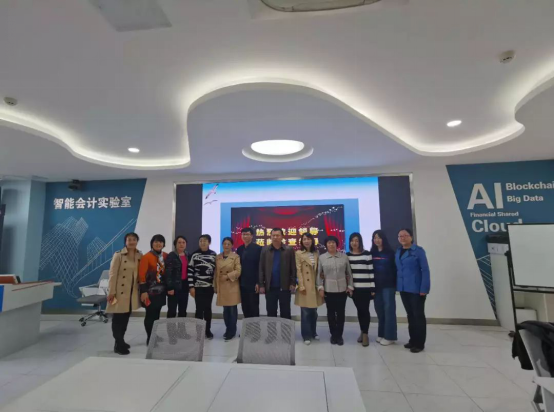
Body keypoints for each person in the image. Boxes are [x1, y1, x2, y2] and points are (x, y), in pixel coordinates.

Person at [107, 232, 142, 355]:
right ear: (125, 242)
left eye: (134, 239)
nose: (132, 242)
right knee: (118, 319)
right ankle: (118, 343)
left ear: (137, 241)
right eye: (129, 240)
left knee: (125, 318)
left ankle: (120, 340)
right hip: (119, 292)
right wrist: (111, 292)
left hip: (132, 293)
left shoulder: (139, 255)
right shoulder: (118, 255)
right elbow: (112, 274)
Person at [396, 228, 430, 353]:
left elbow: (425, 270)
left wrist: (424, 288)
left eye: (405, 235)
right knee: (410, 315)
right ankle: (412, 340)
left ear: (411, 237)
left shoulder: (418, 251)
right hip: (403, 288)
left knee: (418, 315)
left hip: (416, 288)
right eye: (400, 236)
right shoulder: (398, 251)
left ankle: (420, 344)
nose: (402, 238)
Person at [317, 236, 354, 346]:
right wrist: (320, 287)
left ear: (336, 244)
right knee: (331, 314)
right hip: (329, 289)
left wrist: (350, 286)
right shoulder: (322, 258)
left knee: (341, 313)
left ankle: (339, 335)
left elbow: (349, 273)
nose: (331, 244)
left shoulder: (344, 257)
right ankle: (333, 335)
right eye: (329, 242)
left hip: (342, 289)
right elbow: (319, 275)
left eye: (333, 242)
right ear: (326, 245)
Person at [258, 228, 297, 319]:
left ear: (282, 236)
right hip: (270, 287)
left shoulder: (289, 250)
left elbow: (293, 268)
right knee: (271, 313)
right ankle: (272, 329)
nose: (275, 237)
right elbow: (261, 268)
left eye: (278, 235)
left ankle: (286, 329)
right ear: (270, 237)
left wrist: (293, 282)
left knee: (286, 312)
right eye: (273, 235)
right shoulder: (265, 250)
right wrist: (261, 285)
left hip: (285, 287)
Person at [346, 232, 375, 347]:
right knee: (360, 310)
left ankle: (365, 334)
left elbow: (371, 272)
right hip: (355, 289)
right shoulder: (347, 256)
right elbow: (347, 274)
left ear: (360, 242)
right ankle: (362, 331)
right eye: (352, 240)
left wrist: (373, 288)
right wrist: (349, 287)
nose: (354, 243)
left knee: (365, 310)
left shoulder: (367, 254)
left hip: (366, 288)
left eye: (357, 240)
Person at [139, 234, 168, 345]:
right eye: (156, 242)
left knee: (157, 314)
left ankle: (154, 335)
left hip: (161, 292)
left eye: (160, 242)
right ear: (152, 243)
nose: (158, 244)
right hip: (149, 292)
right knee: (150, 315)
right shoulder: (146, 257)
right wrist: (143, 291)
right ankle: (149, 338)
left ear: (163, 244)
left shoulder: (165, 256)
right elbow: (141, 276)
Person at [295, 232, 324, 345]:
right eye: (304, 239)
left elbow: (319, 270)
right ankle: (306, 335)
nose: (306, 241)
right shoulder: (299, 253)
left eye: (308, 239)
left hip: (315, 286)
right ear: (301, 241)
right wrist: (301, 285)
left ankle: (313, 332)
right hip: (305, 286)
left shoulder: (316, 253)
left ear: (312, 240)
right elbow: (298, 270)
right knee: (305, 312)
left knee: (314, 312)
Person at [371, 230, 398, 346]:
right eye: (375, 238)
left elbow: (395, 270)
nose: (377, 240)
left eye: (379, 237)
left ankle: (390, 336)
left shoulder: (390, 253)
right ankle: (381, 333)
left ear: (383, 239)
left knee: (389, 310)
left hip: (388, 286)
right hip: (376, 286)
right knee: (380, 310)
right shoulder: (372, 253)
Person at [189, 234, 217, 339]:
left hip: (209, 287)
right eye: (200, 241)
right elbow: (190, 271)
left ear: (209, 242)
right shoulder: (194, 255)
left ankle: (208, 331)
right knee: (199, 310)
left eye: (205, 241)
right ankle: (199, 332)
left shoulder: (214, 255)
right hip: (198, 287)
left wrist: (215, 286)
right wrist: (191, 287)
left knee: (208, 309)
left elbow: (216, 272)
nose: (202, 243)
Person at [215, 237, 242, 341]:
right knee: (225, 310)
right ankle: (228, 329)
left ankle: (232, 330)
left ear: (232, 246)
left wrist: (227, 276)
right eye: (224, 244)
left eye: (228, 244)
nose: (226, 246)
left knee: (232, 310)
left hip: (231, 285)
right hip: (222, 286)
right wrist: (215, 286)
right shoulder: (218, 257)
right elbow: (216, 273)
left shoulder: (235, 257)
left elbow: (238, 271)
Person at [236, 227, 262, 318]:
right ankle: (247, 326)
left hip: (253, 283)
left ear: (252, 236)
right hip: (242, 283)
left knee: (254, 307)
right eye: (243, 234)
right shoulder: (239, 249)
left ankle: (255, 327)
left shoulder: (258, 248)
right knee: (245, 306)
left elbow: (260, 266)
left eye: (247, 234)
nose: (245, 236)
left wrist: (258, 282)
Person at [165, 236, 190, 319]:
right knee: (172, 311)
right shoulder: (171, 255)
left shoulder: (188, 255)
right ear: (175, 244)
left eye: (183, 242)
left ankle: (181, 328)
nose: (181, 244)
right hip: (174, 287)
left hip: (184, 286)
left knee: (183, 311)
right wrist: (170, 287)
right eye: (179, 242)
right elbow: (168, 273)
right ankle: (171, 328)